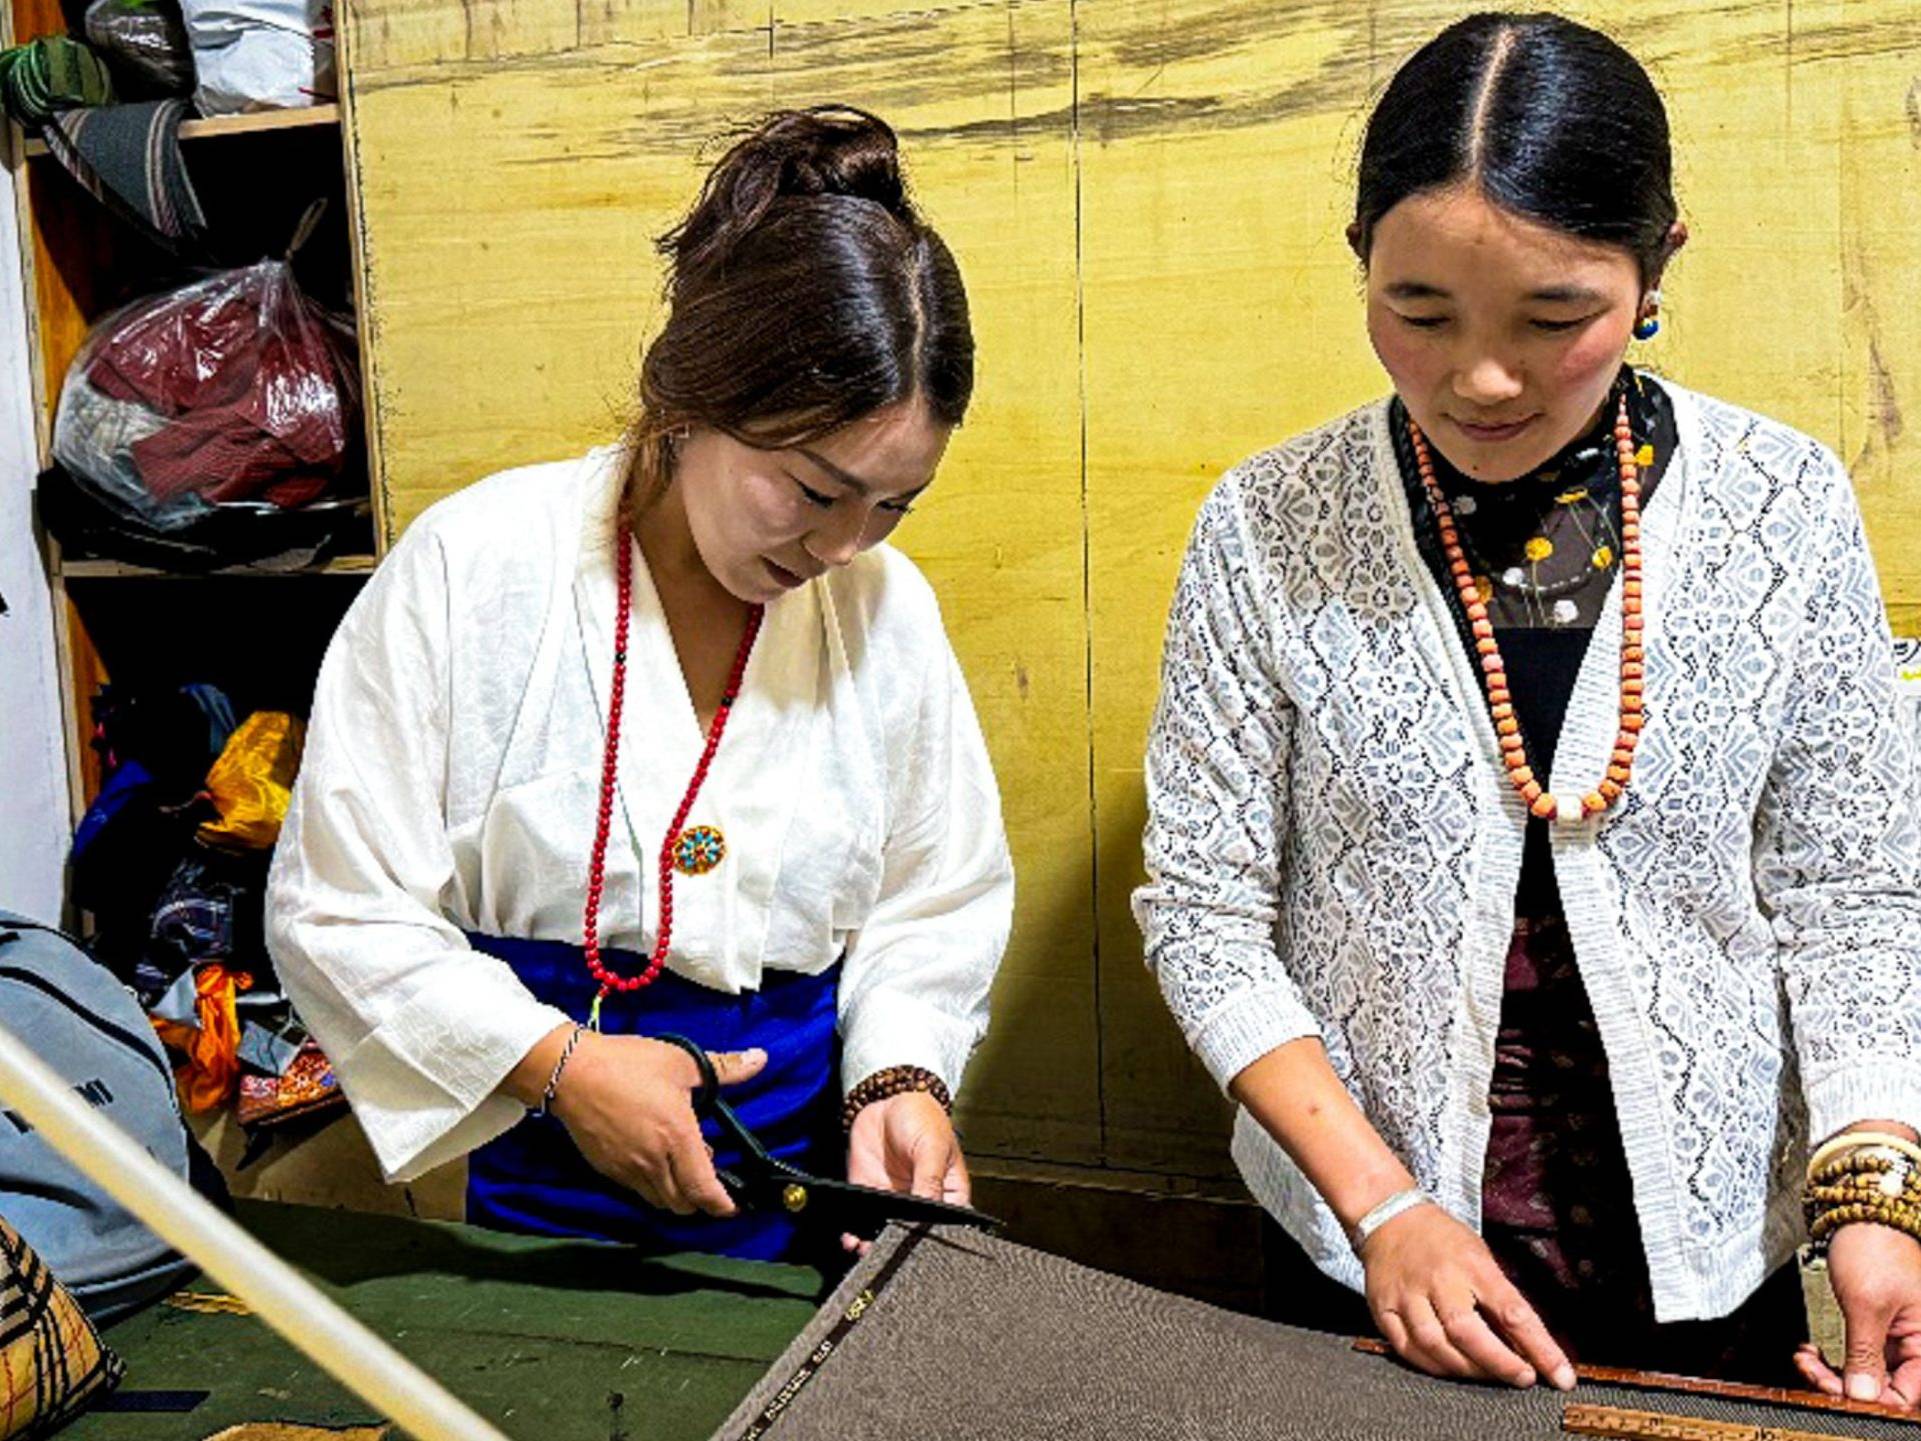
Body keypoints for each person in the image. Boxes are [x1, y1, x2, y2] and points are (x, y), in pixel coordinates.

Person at [1135, 12, 1921, 1404]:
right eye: (1416, 311)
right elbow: (1202, 912)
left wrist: (1872, 1186)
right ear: (1361, 265)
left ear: (1657, 264)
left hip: (1704, 1240)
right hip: (1364, 1238)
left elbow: (1852, 891)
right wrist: (1384, 1211)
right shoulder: (1264, 524)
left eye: (1555, 317)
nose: (1477, 378)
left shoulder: (1785, 508)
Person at [267, 106, 1012, 1264]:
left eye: (892, 505)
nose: (843, 547)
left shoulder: (884, 609)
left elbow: (936, 894)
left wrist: (899, 1080)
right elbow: (338, 906)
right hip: (542, 1171)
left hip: (808, 1172)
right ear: (691, 399)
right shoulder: (474, 570)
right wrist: (560, 1067)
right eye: (813, 491)